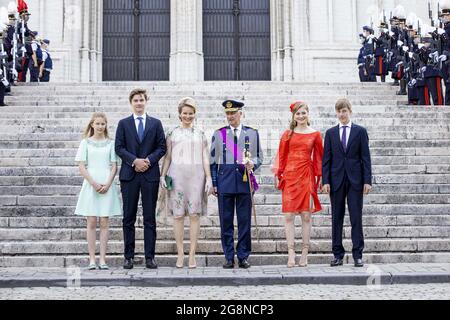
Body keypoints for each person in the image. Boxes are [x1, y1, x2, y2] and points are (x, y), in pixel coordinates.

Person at [159, 97, 214, 269]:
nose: (188, 116)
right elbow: (167, 156)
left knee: (194, 215)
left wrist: (209, 177)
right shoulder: (172, 133)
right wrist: (162, 175)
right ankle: (180, 253)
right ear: (179, 114)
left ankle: (192, 255)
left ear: (194, 114)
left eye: (191, 113)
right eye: (185, 113)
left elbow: (205, 157)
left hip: (196, 177)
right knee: (178, 215)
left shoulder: (200, 133)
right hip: (177, 177)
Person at [115, 88, 166, 270]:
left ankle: (150, 257)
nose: (138, 103)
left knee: (149, 218)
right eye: (135, 100)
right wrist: (134, 161)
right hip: (129, 176)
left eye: (141, 100)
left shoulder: (156, 123)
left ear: (146, 102)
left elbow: (162, 147)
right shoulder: (123, 124)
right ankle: (128, 256)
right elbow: (119, 148)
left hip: (150, 175)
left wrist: (149, 161)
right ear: (131, 103)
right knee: (128, 217)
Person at [210, 100, 263, 269]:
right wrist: (215, 183)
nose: (230, 116)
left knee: (244, 221)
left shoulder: (252, 133)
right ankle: (228, 256)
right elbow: (212, 161)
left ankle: (243, 256)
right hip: (225, 182)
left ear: (241, 114)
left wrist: (252, 163)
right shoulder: (219, 134)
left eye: (233, 113)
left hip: (244, 183)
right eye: (228, 113)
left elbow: (259, 156)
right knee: (225, 221)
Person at [322, 98, 372, 268]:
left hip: (355, 181)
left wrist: (367, 180)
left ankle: (358, 254)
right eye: (339, 111)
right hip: (336, 181)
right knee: (337, 218)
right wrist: (325, 181)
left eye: (344, 111)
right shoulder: (330, 133)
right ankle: (337, 254)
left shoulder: (360, 131)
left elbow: (366, 158)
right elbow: (326, 160)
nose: (341, 114)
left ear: (350, 111)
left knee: (356, 217)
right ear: (336, 113)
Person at [272, 102, 323, 268]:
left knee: (306, 215)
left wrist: (320, 176)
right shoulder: (288, 134)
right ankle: (291, 252)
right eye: (298, 114)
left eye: (303, 113)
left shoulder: (315, 134)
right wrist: (277, 174)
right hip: (290, 175)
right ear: (293, 116)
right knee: (288, 215)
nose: (301, 116)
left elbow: (319, 157)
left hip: (306, 175)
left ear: (308, 114)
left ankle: (304, 253)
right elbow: (282, 155)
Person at [74, 112, 122, 270]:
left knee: (104, 221)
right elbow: (81, 166)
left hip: (106, 183)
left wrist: (108, 183)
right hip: (91, 183)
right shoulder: (85, 143)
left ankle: (103, 259)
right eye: (98, 123)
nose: (100, 126)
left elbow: (114, 165)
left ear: (106, 125)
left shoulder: (110, 143)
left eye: (103, 124)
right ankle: (92, 259)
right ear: (92, 125)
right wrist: (93, 183)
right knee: (92, 221)